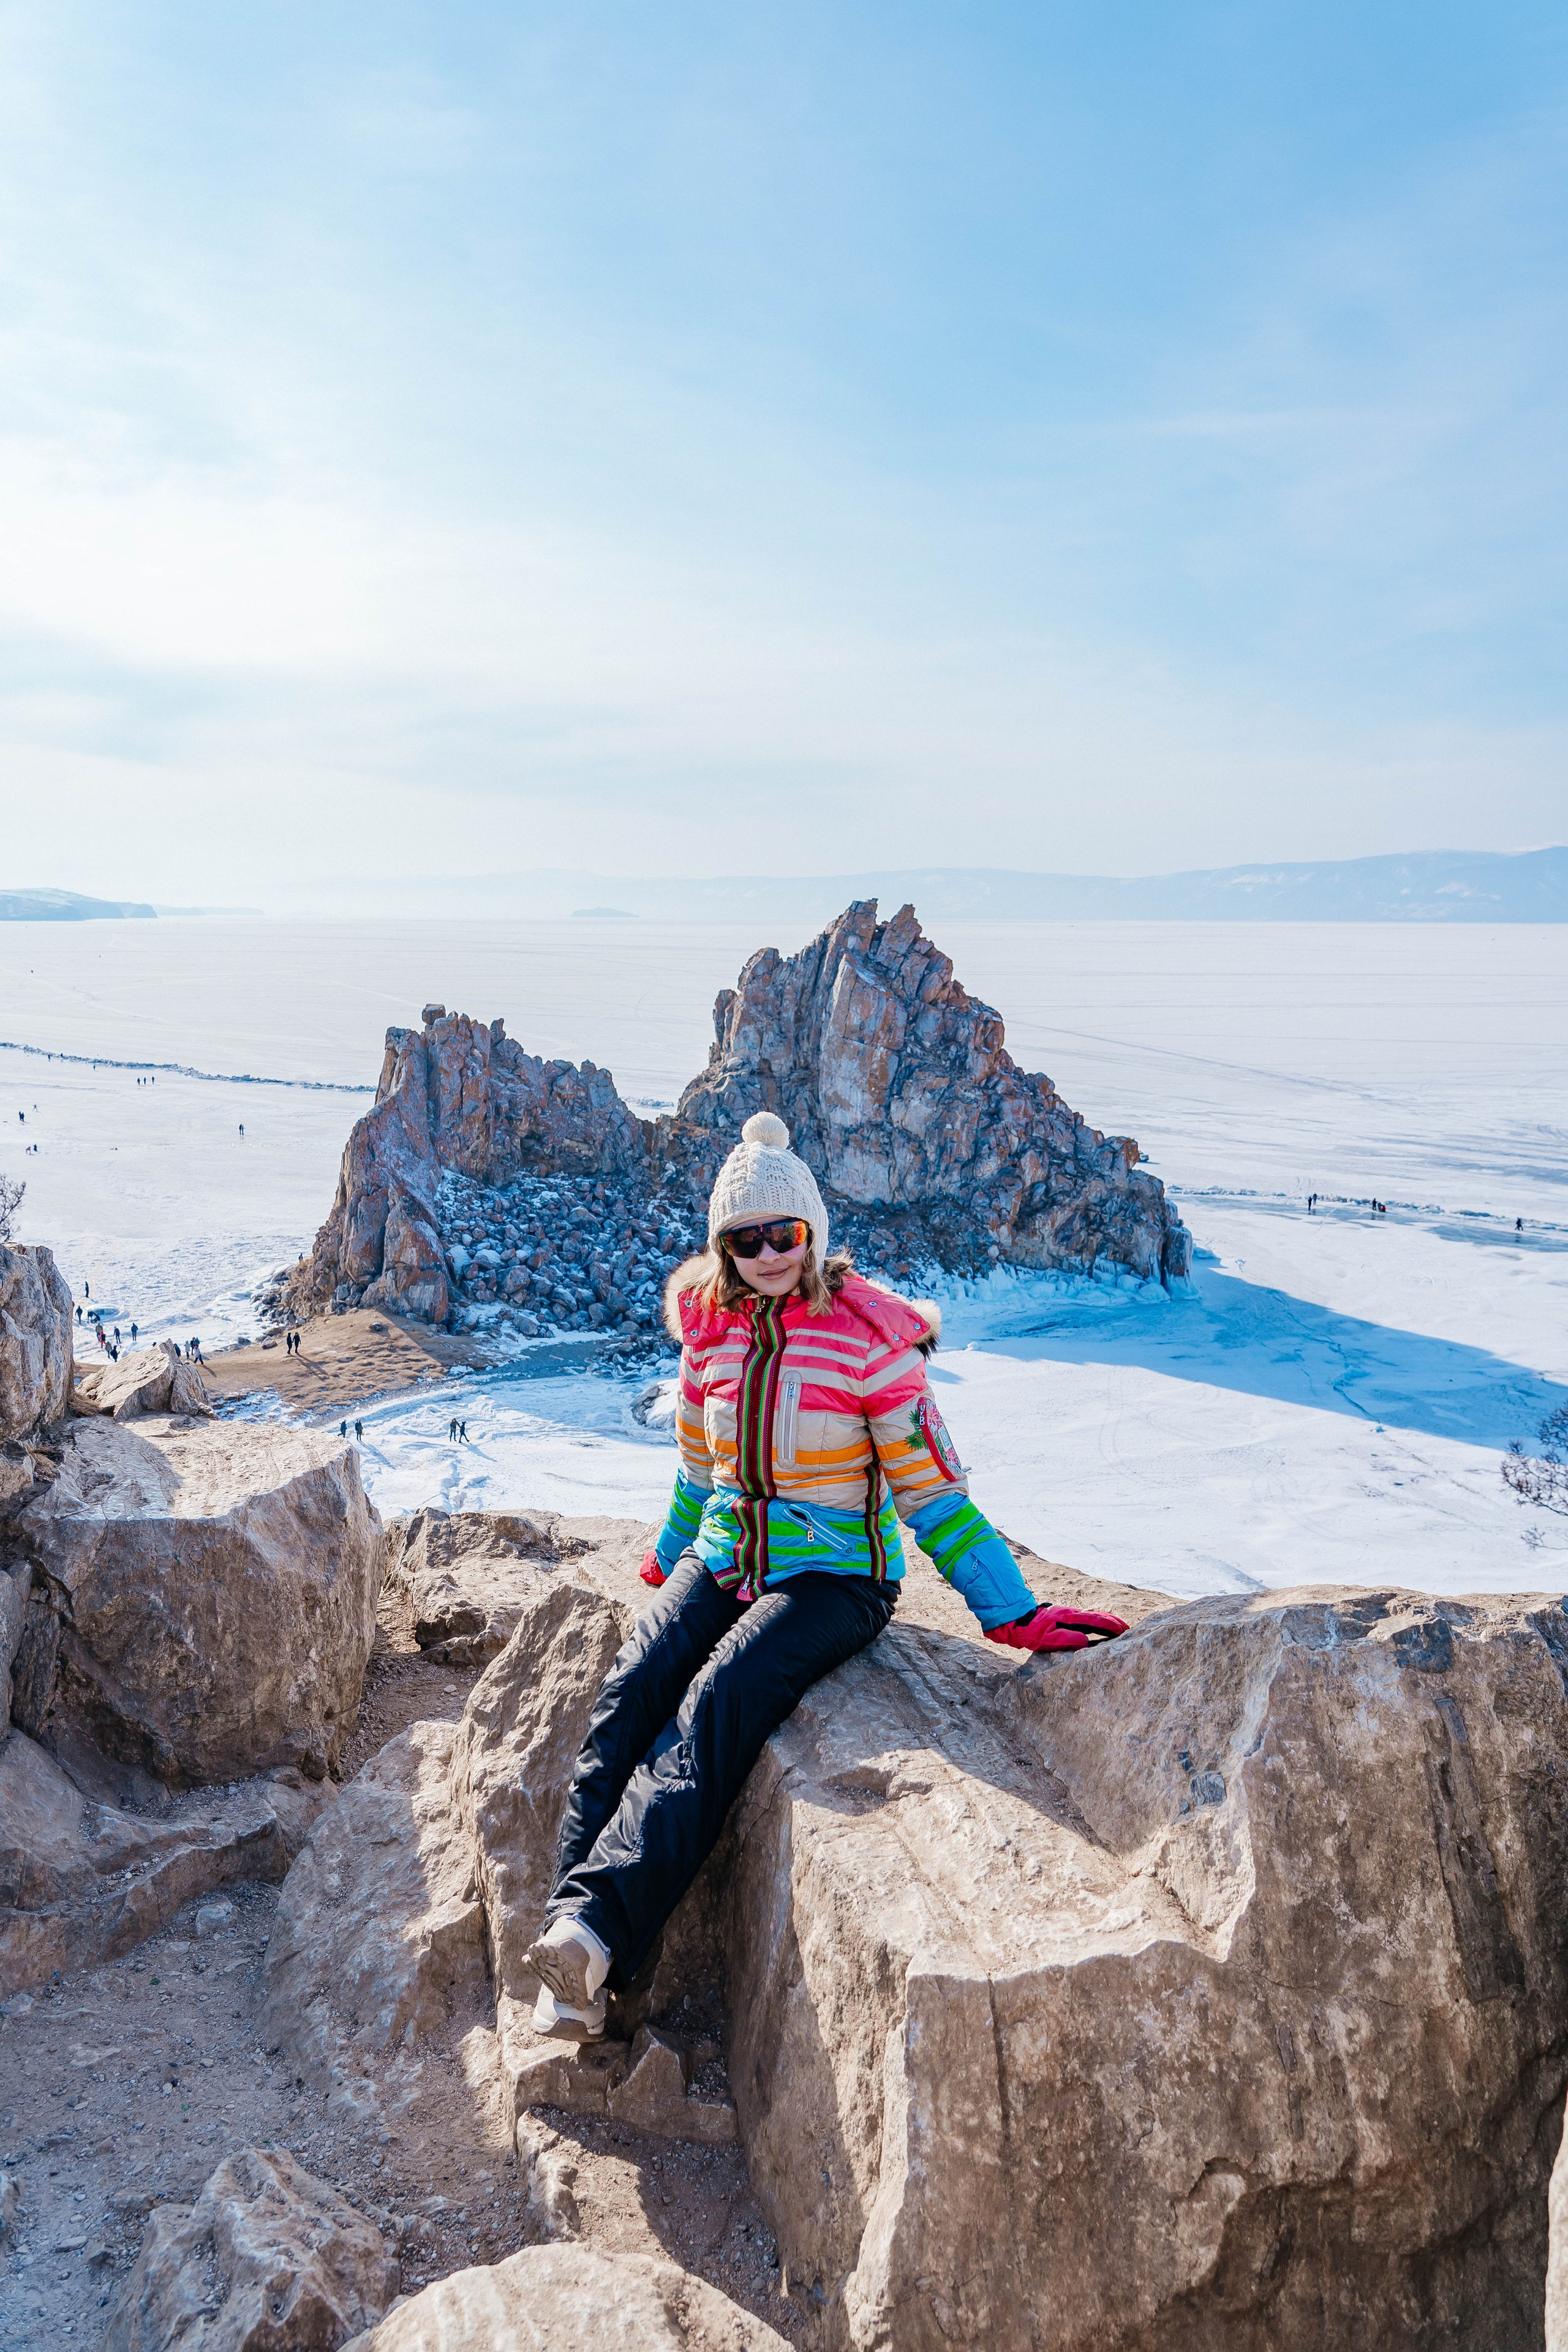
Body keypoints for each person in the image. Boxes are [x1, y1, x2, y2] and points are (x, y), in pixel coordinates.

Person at [526, 1112, 1127, 2043]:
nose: (768, 1253)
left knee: (716, 1707)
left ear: (813, 1235)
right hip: (729, 1554)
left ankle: (598, 1934)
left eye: (785, 1234)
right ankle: (575, 1958)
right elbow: (699, 1468)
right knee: (630, 1690)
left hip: (837, 1577)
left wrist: (1013, 1611)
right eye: (746, 1239)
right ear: (722, 1249)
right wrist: (671, 1550)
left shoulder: (869, 1340)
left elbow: (932, 1494)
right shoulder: (710, 1333)